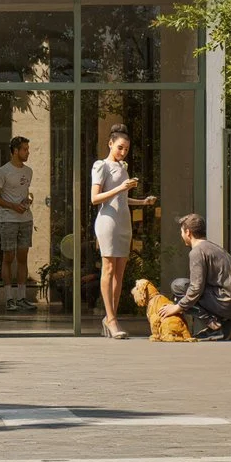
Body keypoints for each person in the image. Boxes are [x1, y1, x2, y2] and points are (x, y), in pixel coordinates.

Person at [89, 124, 154, 339]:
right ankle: (111, 319)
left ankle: (111, 317)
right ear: (110, 143)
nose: (123, 152)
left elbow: (122, 199)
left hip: (124, 221)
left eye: (126, 149)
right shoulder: (101, 166)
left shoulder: (123, 168)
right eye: (119, 147)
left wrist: (143, 202)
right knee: (108, 268)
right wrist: (121, 187)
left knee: (120, 271)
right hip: (108, 221)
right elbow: (95, 198)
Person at [158, 213, 231, 340]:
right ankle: (226, 324)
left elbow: (196, 287)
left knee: (178, 286)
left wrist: (177, 307)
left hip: (225, 302)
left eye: (181, 232)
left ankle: (214, 325)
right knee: (187, 289)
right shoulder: (213, 247)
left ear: (188, 232)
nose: (181, 235)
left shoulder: (197, 252)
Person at [0, 136, 35, 312]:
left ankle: (22, 297)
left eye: (28, 149)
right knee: (8, 257)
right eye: (24, 149)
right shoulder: (3, 171)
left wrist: (27, 200)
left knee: (23, 257)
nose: (27, 152)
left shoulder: (29, 171)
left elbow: (24, 192)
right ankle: (9, 298)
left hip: (25, 218)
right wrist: (12, 206)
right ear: (15, 151)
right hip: (8, 219)